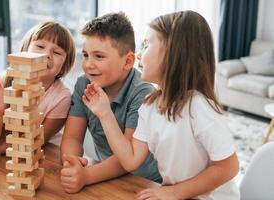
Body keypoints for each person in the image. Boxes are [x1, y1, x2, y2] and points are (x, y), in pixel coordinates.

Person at [83, 11, 240, 200]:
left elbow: (228, 167)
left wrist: (174, 192)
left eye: (147, 44)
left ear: (173, 52)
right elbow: (131, 160)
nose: (139, 54)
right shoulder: (149, 106)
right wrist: (104, 113)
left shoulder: (198, 107)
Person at [60, 12, 161, 193]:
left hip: (145, 182)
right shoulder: (84, 83)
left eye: (99, 56)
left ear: (128, 61)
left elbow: (128, 157)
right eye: (85, 55)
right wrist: (71, 164)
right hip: (103, 175)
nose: (88, 65)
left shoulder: (143, 93)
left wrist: (87, 176)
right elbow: (72, 138)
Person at [0, 21, 75, 154]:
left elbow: (39, 139)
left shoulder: (62, 97)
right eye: (40, 46)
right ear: (25, 50)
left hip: (42, 153)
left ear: (65, 63)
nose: (47, 55)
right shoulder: (5, 80)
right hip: (4, 153)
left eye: (56, 52)